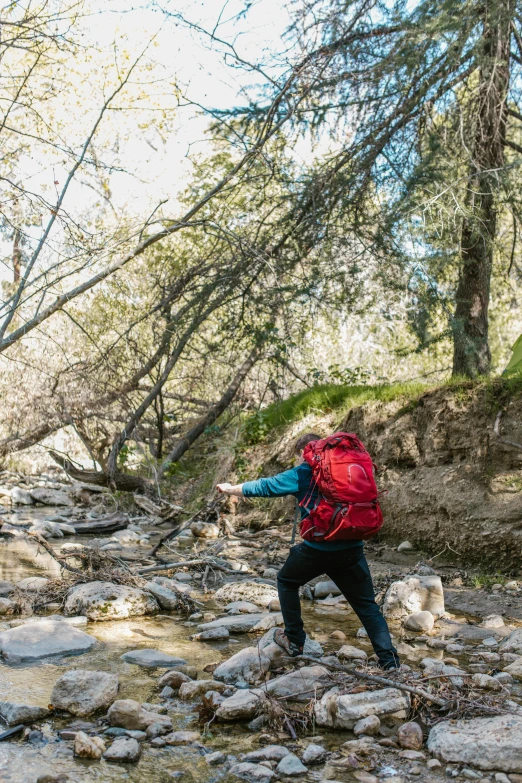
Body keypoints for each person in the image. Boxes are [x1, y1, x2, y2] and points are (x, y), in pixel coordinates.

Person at [216, 432, 399, 669]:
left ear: (305, 452)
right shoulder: (348, 469)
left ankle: (294, 640)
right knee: (367, 607)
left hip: (317, 550)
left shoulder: (305, 471)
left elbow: (266, 486)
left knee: (286, 581)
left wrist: (231, 489)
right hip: (352, 549)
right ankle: (390, 662)